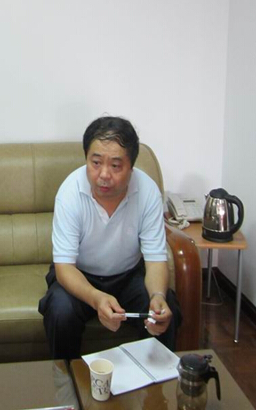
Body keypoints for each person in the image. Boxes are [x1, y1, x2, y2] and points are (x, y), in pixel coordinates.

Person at [38, 116, 181, 359]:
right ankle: (67, 379)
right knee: (60, 310)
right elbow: (64, 268)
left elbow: (155, 259)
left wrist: (157, 296)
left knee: (165, 309)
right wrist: (97, 298)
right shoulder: (70, 192)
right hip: (79, 275)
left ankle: (155, 381)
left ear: (131, 167)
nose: (103, 174)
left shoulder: (147, 191)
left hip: (128, 276)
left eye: (115, 166)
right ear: (86, 159)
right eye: (95, 163)